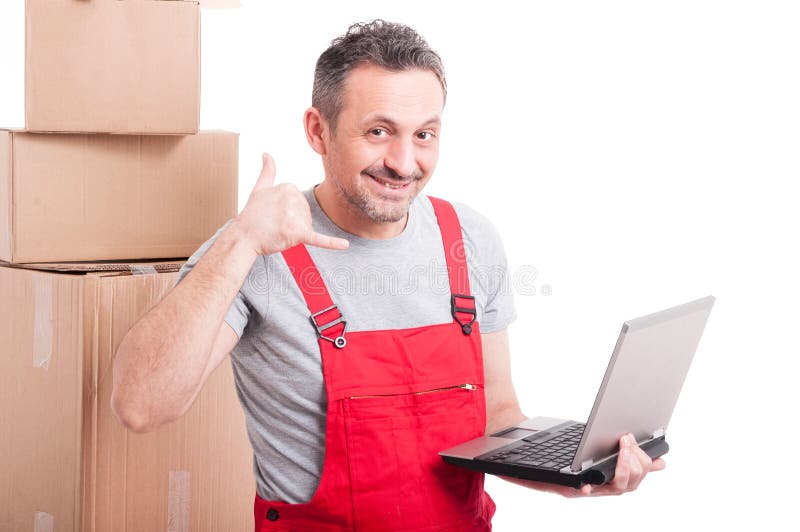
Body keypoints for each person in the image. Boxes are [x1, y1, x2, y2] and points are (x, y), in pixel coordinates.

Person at [111, 20, 664, 531]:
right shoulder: (257, 248)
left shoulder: (470, 239)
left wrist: (571, 473)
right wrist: (240, 240)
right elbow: (141, 406)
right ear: (317, 130)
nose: (404, 162)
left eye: (424, 134)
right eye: (378, 131)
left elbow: (497, 416)